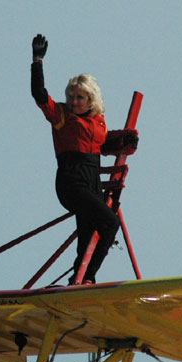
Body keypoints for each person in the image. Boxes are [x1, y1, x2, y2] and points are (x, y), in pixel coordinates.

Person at [30, 34, 138, 285]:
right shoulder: (61, 115)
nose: (74, 102)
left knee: (89, 233)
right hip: (71, 181)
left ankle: (77, 281)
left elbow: (102, 144)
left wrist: (126, 140)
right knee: (110, 223)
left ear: (90, 99)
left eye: (79, 97)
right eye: (71, 97)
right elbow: (38, 94)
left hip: (92, 181)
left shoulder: (98, 121)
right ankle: (87, 277)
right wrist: (37, 61)